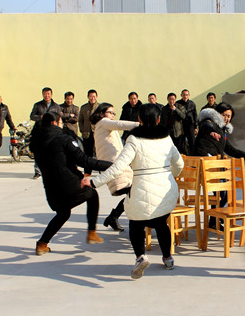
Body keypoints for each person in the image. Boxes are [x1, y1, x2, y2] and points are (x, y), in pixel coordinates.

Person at [83, 103, 184, 280]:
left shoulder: (134, 140)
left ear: (139, 119)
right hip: (166, 192)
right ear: (159, 119)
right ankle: (168, 259)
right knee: (161, 224)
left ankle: (141, 257)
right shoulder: (166, 138)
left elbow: (117, 168)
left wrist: (94, 182)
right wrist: (170, 175)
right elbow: (179, 164)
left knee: (136, 224)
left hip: (141, 190)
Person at [31, 112, 112, 255]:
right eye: (61, 122)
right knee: (92, 194)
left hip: (51, 190)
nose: (62, 124)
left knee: (63, 213)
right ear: (55, 123)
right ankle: (92, 232)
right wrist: (112, 165)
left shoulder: (36, 143)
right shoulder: (64, 139)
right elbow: (85, 161)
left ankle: (42, 243)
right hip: (70, 185)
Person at [90, 103, 139, 232]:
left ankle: (114, 217)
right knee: (133, 193)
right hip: (114, 165)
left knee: (132, 193)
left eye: (113, 113)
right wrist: (141, 125)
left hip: (116, 164)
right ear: (102, 113)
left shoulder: (102, 126)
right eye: (110, 112)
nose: (112, 115)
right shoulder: (103, 122)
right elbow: (120, 124)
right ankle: (135, 225)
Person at [30, 87, 62, 179]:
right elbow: (32, 116)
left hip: (52, 132)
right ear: (42, 94)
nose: (46, 95)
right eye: (45, 94)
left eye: (48, 94)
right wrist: (40, 117)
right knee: (39, 152)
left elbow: (59, 118)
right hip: (40, 131)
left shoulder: (56, 106)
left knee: (52, 152)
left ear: (51, 95)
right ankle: (37, 172)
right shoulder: (37, 105)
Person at [78, 89, 99, 175]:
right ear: (88, 97)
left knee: (99, 153)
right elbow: (80, 120)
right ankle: (87, 171)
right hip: (87, 133)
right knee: (87, 154)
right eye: (91, 96)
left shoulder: (100, 107)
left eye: (94, 96)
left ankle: (101, 171)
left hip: (97, 133)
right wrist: (82, 129)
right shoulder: (84, 107)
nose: (92, 98)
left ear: (96, 97)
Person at [176, 89, 197, 154]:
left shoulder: (192, 103)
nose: (185, 96)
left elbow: (195, 115)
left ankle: (193, 154)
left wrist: (195, 127)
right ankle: (183, 154)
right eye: (184, 95)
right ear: (181, 95)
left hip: (190, 124)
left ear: (189, 95)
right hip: (181, 125)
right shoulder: (177, 103)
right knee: (181, 141)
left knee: (192, 141)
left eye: (186, 95)